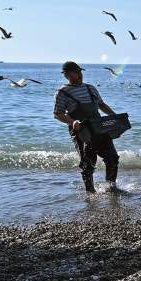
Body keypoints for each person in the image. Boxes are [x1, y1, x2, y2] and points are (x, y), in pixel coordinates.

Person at [53, 61, 120, 193]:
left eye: (80, 71)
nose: (80, 74)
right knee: (88, 162)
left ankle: (111, 188)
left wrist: (114, 116)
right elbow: (57, 113)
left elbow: (102, 105)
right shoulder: (62, 92)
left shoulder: (91, 88)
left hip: (99, 127)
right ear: (66, 75)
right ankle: (90, 192)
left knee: (112, 158)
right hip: (80, 130)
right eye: (76, 72)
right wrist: (72, 122)